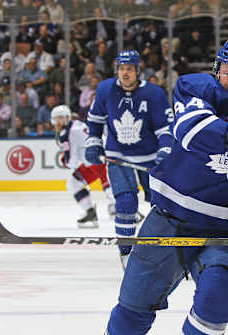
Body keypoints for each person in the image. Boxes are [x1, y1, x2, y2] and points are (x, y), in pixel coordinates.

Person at [104, 36, 228, 335]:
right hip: (167, 221)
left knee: (216, 301)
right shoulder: (196, 88)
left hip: (226, 234)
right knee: (130, 313)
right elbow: (191, 132)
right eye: (227, 72)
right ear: (216, 69)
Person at [85, 50, 174, 268]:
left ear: (137, 71)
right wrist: (94, 142)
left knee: (160, 206)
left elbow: (166, 128)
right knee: (125, 203)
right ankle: (126, 254)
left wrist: (165, 149)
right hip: (118, 157)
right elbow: (95, 121)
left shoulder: (154, 94)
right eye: (121, 69)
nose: (125, 73)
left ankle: (160, 248)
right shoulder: (105, 89)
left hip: (149, 158)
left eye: (129, 69)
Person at [51, 105, 115, 228]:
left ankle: (121, 208)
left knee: (107, 181)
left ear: (66, 118)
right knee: (73, 183)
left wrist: (66, 161)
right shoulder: (76, 124)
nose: (57, 122)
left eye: (60, 118)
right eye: (56, 119)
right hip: (95, 159)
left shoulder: (67, 132)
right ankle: (91, 212)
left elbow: (72, 162)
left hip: (99, 158)